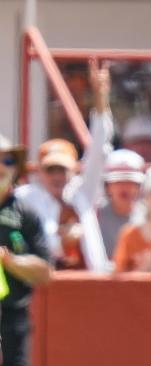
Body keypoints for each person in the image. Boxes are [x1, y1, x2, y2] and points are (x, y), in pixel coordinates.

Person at [15, 60, 112, 271]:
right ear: (39, 172)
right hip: (45, 287)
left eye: (63, 169)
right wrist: (61, 243)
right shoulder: (25, 199)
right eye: (51, 169)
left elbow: (99, 150)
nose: (57, 176)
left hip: (90, 286)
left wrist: (101, 100)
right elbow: (25, 248)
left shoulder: (83, 192)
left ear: (73, 170)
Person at [0, 134, 54, 366]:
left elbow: (45, 269)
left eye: (8, 161)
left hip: (11, 318)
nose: (3, 168)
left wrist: (11, 262)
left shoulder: (25, 214)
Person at [98, 149, 146, 258]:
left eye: (130, 181)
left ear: (139, 186)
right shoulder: (93, 216)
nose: (124, 187)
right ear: (107, 186)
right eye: (117, 181)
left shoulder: (150, 216)